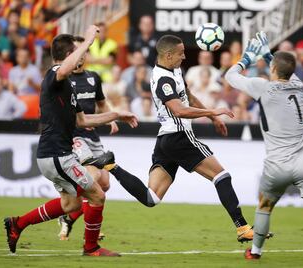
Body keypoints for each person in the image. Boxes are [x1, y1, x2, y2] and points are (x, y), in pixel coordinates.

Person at [105, 35, 256, 243]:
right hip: (179, 137)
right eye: (181, 53)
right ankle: (242, 227)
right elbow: (179, 109)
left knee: (152, 198)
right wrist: (214, 110)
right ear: (168, 55)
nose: (184, 56)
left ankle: (111, 165)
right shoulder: (162, 79)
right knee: (221, 176)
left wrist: (212, 118)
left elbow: (188, 96)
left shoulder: (174, 70)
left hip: (165, 141)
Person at [3, 25, 138, 257]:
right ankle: (91, 248)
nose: (83, 56)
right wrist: (87, 40)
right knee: (97, 194)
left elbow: (83, 121)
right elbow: (63, 69)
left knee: (71, 205)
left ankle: (18, 224)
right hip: (57, 155)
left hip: (55, 155)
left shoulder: (66, 87)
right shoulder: (54, 76)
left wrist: (115, 115)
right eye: (78, 52)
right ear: (68, 55)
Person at [225, 31, 303, 260]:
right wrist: (268, 54)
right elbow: (282, 67)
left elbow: (230, 76)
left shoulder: (262, 86)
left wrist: (246, 59)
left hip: (277, 164)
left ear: (272, 70)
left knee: (264, 205)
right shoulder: (300, 86)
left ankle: (255, 251)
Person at [56, 36, 119, 241]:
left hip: (92, 136)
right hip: (75, 137)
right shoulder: (64, 79)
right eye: (77, 54)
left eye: (84, 54)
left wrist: (110, 119)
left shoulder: (94, 77)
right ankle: (90, 230)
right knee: (92, 179)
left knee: (105, 184)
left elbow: (101, 103)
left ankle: (69, 217)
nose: (80, 58)